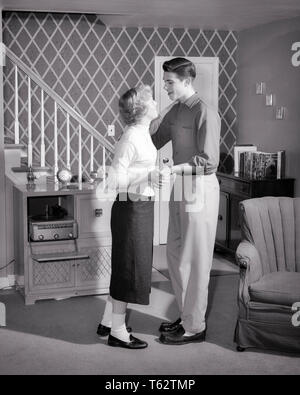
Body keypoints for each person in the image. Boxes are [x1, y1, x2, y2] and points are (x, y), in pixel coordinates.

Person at [151, 57, 221, 345]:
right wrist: (162, 107)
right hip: (179, 186)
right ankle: (186, 314)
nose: (165, 86)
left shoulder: (206, 112)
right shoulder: (176, 109)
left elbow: (210, 161)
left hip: (199, 187)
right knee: (176, 255)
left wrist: (173, 169)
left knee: (195, 259)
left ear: (187, 81)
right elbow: (154, 137)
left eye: (170, 82)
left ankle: (195, 327)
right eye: (165, 81)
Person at [96, 84, 164, 349]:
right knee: (127, 270)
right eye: (152, 99)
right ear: (142, 108)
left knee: (128, 267)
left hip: (140, 207)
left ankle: (107, 322)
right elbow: (115, 179)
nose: (156, 102)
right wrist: (147, 176)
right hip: (131, 210)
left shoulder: (143, 133)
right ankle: (118, 332)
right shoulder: (131, 138)